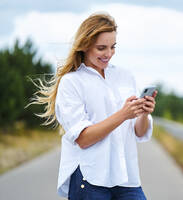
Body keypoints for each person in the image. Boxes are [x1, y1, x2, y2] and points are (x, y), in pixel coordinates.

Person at [31, 12, 157, 200]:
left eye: (113, 47)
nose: (108, 54)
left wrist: (143, 114)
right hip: (89, 180)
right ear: (85, 45)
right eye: (101, 48)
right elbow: (83, 139)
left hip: (127, 180)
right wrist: (123, 115)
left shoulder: (125, 77)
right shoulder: (72, 83)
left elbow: (139, 133)